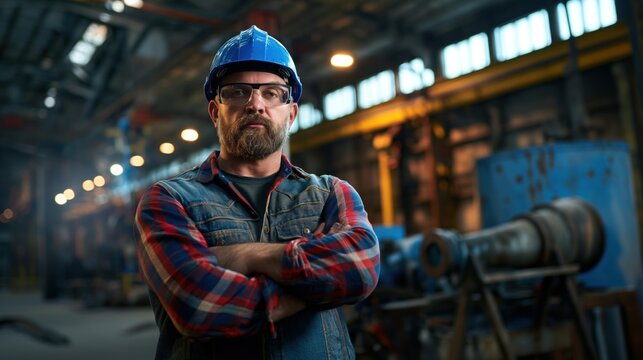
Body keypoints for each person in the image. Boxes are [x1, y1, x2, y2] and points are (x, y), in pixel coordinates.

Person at [135, 25, 380, 360]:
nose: (255, 104)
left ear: (290, 113)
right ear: (214, 113)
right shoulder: (169, 200)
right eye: (237, 92)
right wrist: (314, 283)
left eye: (272, 92)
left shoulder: (331, 193)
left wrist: (249, 256)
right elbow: (198, 307)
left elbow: (360, 269)